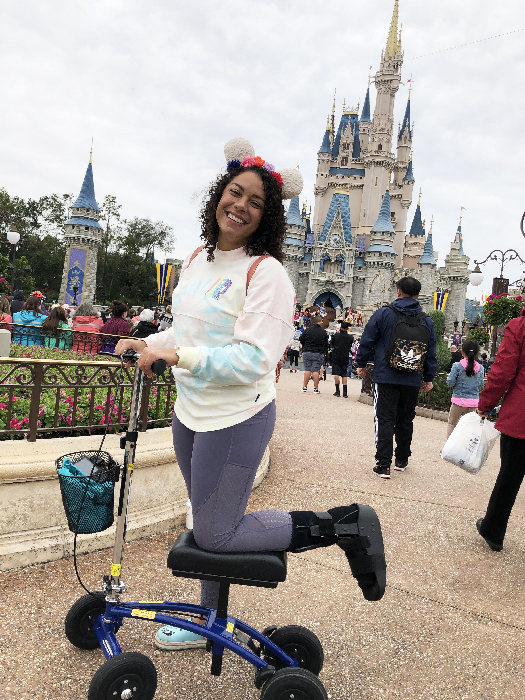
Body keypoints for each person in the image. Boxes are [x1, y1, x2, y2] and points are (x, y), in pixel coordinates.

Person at [115, 140, 386, 650]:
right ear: (218, 195)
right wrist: (150, 343)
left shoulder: (268, 274)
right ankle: (207, 622)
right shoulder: (198, 259)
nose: (239, 205)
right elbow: (186, 331)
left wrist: (179, 359)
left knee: (219, 532)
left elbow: (253, 360)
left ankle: (344, 524)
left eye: (254, 201)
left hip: (237, 416)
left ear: (268, 216)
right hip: (190, 412)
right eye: (234, 193)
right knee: (205, 521)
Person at [355, 276, 437, 478]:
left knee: (384, 419)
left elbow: (368, 339)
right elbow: (430, 351)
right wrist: (428, 377)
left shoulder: (384, 313)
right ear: (418, 295)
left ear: (398, 292)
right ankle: (402, 459)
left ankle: (383, 465)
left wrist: (361, 364)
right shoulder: (426, 320)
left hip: (386, 375)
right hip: (412, 377)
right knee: (406, 419)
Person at [476, 305, 525, 551]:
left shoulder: (520, 327)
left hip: (522, 417)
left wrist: (486, 403)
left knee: (509, 476)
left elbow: (502, 372)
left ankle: (493, 530)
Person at [445, 339, 485, 438]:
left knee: (452, 424)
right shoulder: (481, 368)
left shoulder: (457, 366)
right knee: (469, 427)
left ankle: (450, 450)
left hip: (458, 401)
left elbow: (450, 383)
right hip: (473, 403)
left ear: (462, 352)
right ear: (477, 353)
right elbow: (480, 384)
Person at [299, 314, 329, 393]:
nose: (322, 322)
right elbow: (326, 344)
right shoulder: (323, 332)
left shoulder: (308, 330)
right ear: (319, 322)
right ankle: (315, 388)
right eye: (321, 321)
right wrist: (323, 351)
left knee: (307, 369)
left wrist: (305, 345)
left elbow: (301, 338)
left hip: (307, 351)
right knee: (316, 370)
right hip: (318, 352)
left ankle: (304, 387)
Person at [330, 321, 354, 398]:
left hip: (336, 355)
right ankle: (345, 393)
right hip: (345, 356)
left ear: (340, 328)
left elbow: (331, 344)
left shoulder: (336, 335)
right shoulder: (350, 337)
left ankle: (337, 391)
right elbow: (350, 345)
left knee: (336, 373)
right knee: (344, 374)